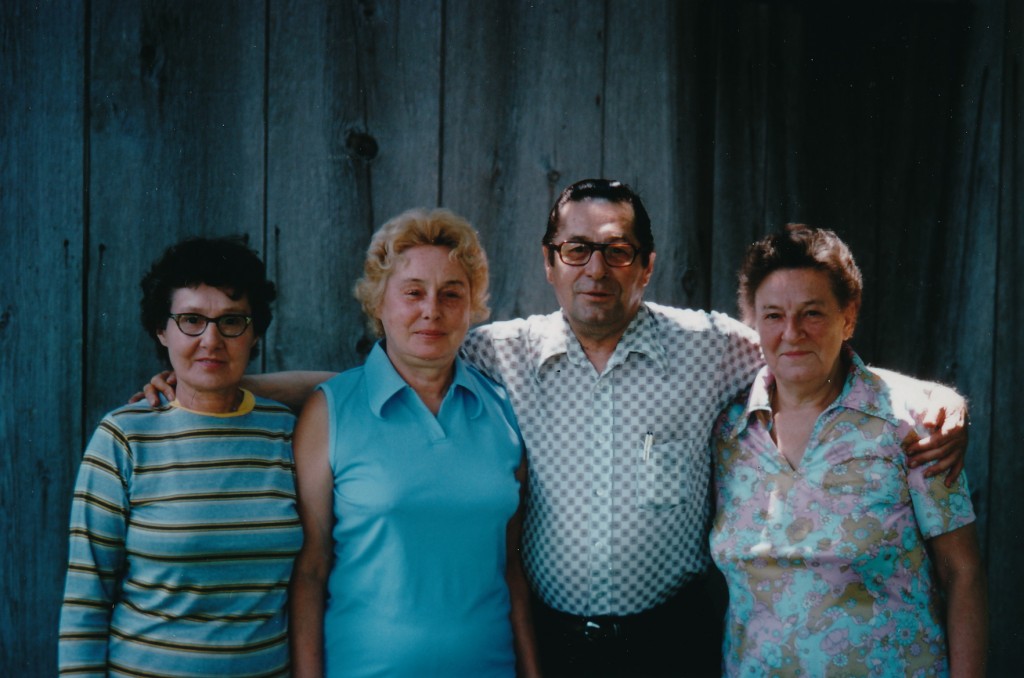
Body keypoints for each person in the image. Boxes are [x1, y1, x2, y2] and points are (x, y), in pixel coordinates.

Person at [138, 180, 967, 677]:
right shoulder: (503, 354)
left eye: (616, 251)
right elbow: (377, 377)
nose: (595, 269)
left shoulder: (714, 346)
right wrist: (211, 382)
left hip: (670, 640)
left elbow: (807, 346)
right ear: (548, 260)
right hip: (554, 647)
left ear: (645, 263)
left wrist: (935, 397)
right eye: (576, 250)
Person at [710, 225, 987, 676]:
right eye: (774, 315)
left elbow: (962, 573)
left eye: (812, 313)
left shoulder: (913, 422)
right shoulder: (729, 434)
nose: (792, 332)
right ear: (753, 322)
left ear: (849, 316)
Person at [287, 208, 539, 677]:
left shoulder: (503, 410)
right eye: (412, 293)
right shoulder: (331, 412)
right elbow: (311, 572)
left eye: (451, 294)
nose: (431, 310)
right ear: (378, 302)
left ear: (471, 306)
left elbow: (512, 571)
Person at [59, 237, 301, 675]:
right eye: (191, 320)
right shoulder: (125, 436)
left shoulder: (287, 433)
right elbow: (86, 597)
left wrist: (249, 388)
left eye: (232, 322)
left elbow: (349, 388)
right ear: (161, 329)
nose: (211, 340)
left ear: (255, 331)